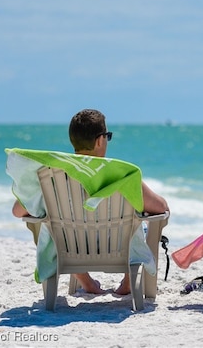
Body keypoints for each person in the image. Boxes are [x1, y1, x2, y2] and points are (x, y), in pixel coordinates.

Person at [12, 108, 169, 295]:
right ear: (100, 140)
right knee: (139, 227)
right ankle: (128, 283)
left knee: (53, 230)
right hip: (116, 247)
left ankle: (86, 282)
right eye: (107, 136)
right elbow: (161, 208)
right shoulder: (121, 174)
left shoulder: (51, 175)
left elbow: (17, 211)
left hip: (70, 248)